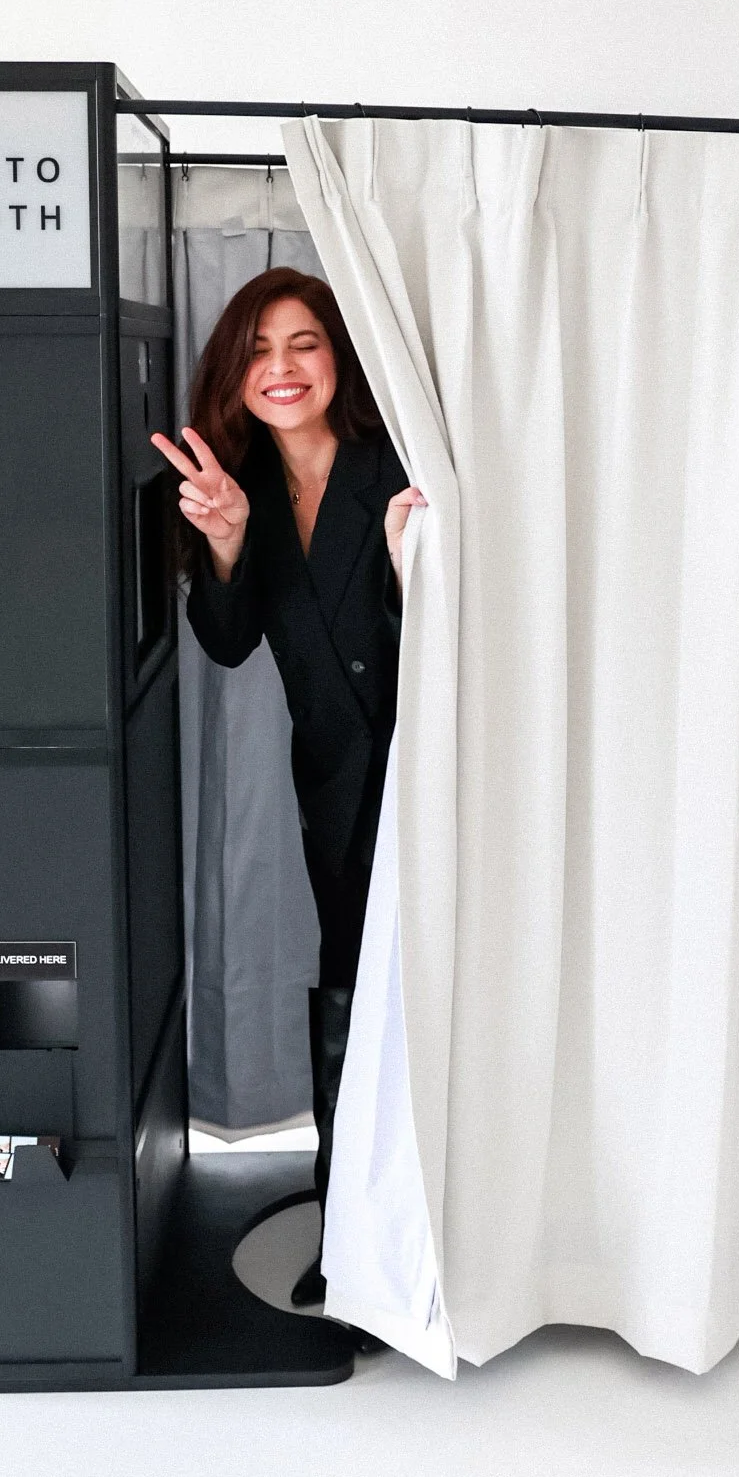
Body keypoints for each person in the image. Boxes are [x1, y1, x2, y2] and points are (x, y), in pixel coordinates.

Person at [153, 268, 424, 1309]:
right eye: (261, 349)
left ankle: (423, 1234)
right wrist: (223, 543)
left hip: (429, 777)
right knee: (354, 998)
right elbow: (226, 647)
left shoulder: (394, 466)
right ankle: (352, 1234)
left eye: (304, 343)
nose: (281, 368)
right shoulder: (244, 495)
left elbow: (457, 639)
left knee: (427, 1001)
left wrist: (410, 568)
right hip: (337, 797)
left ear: (338, 360)